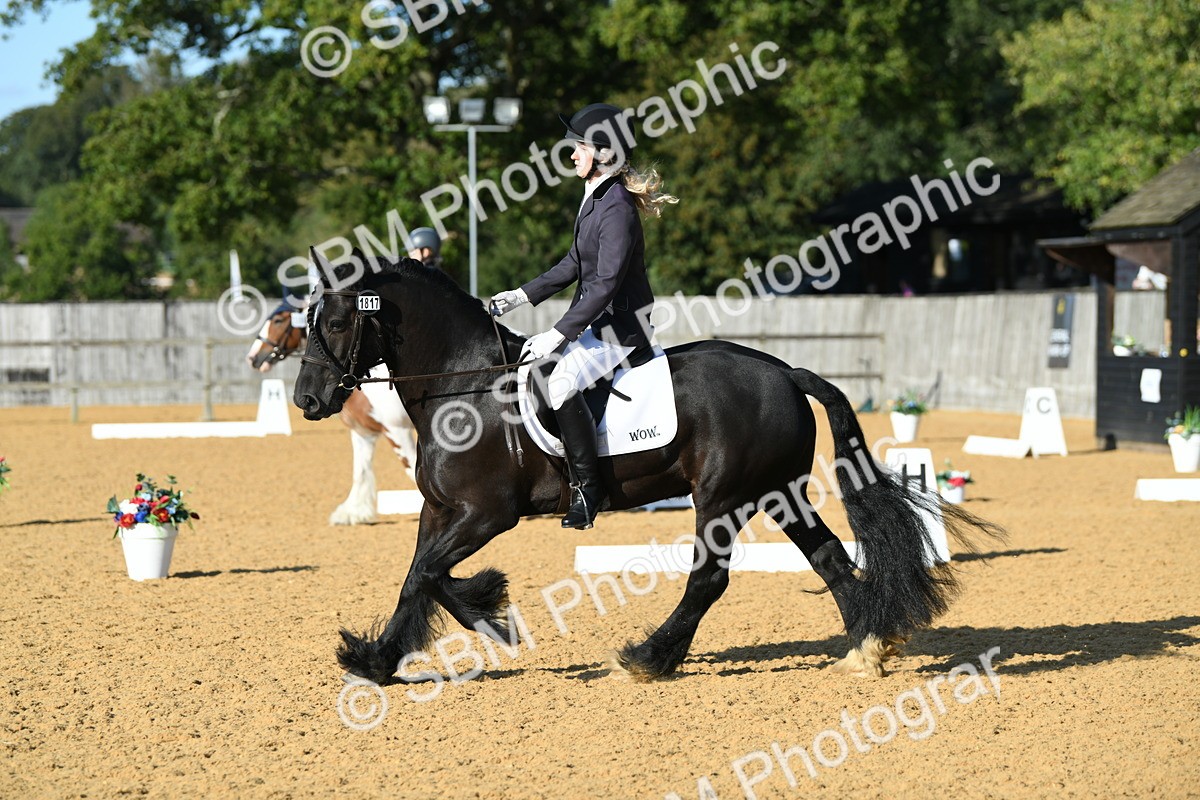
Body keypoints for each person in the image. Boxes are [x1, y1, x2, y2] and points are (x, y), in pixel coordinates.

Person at [490, 103, 678, 530]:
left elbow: (606, 283)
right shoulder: (595, 198)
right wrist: (521, 295)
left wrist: (559, 333)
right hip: (597, 322)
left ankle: (588, 490)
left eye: (578, 147)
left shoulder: (617, 209)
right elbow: (574, 262)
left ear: (603, 150)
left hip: (622, 329)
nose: (572, 154)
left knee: (560, 381)